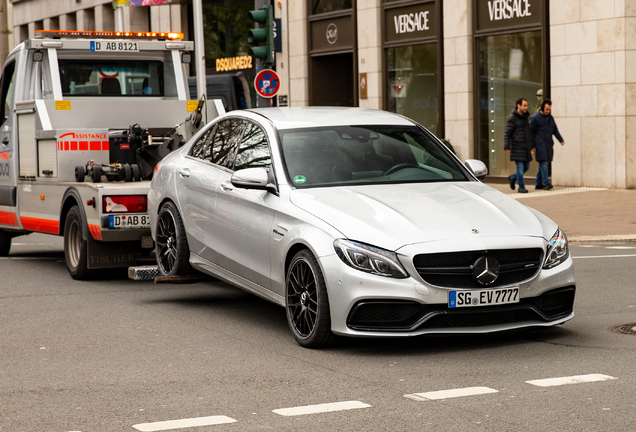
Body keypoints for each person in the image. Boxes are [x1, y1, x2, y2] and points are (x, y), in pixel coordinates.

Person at [530, 99, 565, 190]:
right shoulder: (535, 118)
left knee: (543, 163)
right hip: (539, 144)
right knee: (544, 162)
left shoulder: (550, 118)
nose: (548, 111)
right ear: (542, 108)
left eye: (549, 109)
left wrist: (560, 139)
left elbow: (555, 130)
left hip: (548, 144)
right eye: (546, 109)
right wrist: (532, 145)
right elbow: (530, 133)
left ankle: (538, 183)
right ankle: (546, 182)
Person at [504, 98, 533, 193]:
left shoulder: (525, 118)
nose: (526, 107)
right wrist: (507, 146)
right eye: (524, 105)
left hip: (525, 148)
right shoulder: (512, 118)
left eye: (527, 105)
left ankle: (513, 177)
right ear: (518, 105)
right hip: (517, 147)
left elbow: (528, 133)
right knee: (520, 169)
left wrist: (532, 145)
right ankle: (521, 187)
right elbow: (507, 133)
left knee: (526, 168)